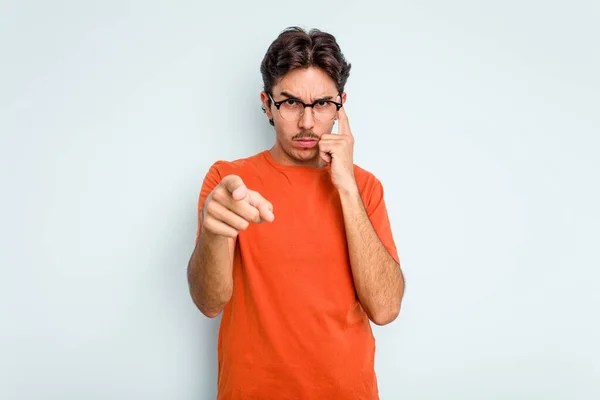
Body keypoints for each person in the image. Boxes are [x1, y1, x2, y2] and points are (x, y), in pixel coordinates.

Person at [187, 26, 405, 400]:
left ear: (341, 104)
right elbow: (209, 303)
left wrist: (347, 187)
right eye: (290, 103)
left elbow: (385, 309)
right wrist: (212, 232)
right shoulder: (229, 181)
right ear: (267, 104)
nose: (307, 123)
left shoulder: (364, 187)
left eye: (322, 104)